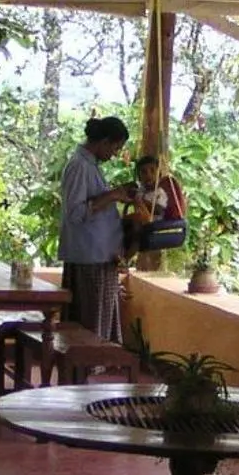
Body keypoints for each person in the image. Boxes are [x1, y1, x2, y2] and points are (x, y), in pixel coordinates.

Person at [58, 115, 137, 341]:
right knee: (88, 326)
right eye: (115, 148)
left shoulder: (89, 165)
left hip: (99, 256)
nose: (114, 155)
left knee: (96, 323)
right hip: (88, 257)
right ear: (103, 142)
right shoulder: (79, 166)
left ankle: (87, 368)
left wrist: (116, 194)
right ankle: (82, 369)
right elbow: (75, 213)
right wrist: (112, 195)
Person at [121, 153, 187, 257]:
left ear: (159, 174)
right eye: (144, 172)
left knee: (134, 228)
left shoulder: (159, 192)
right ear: (139, 176)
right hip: (139, 223)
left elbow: (159, 210)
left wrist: (142, 201)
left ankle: (125, 258)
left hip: (152, 222)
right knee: (125, 227)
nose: (148, 175)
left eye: (152, 171)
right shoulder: (141, 191)